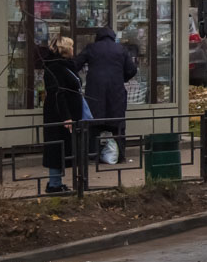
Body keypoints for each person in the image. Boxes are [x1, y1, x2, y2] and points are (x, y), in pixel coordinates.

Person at [74, 26, 137, 159]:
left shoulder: (91, 48)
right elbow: (132, 69)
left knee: (93, 127)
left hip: (95, 95)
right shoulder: (121, 49)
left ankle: (91, 156)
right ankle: (120, 156)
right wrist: (121, 79)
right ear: (113, 36)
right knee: (117, 127)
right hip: (116, 95)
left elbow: (76, 65)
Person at [39, 36, 82, 193]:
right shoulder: (56, 67)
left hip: (66, 114)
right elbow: (58, 93)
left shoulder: (66, 66)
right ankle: (54, 184)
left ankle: (56, 183)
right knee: (57, 149)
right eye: (71, 47)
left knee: (62, 149)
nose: (73, 49)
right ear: (65, 50)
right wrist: (66, 117)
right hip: (58, 115)